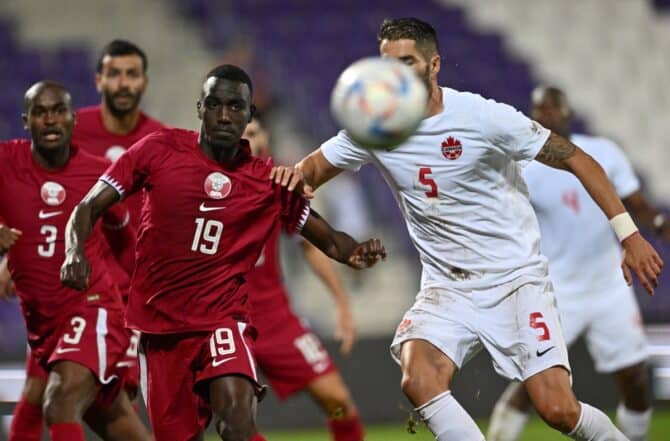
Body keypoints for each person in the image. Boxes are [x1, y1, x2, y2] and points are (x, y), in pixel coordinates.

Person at [273, 17, 663, 441]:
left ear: (434, 64)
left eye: (407, 62)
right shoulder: (375, 128)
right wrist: (305, 198)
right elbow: (306, 174)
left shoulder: (482, 117)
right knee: (417, 375)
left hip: (515, 281)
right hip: (447, 288)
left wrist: (629, 234)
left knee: (557, 410)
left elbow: (577, 158)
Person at [60, 64, 387, 441]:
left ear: (249, 114)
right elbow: (87, 207)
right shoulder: (157, 149)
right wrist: (74, 252)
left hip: (222, 322)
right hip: (160, 330)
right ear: (200, 108)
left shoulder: (267, 181)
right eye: (215, 105)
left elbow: (328, 239)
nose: (225, 115)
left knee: (236, 423)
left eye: (236, 107)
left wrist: (355, 252)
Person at [487, 86, 669, 441]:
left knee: (634, 378)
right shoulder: (522, 166)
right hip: (557, 290)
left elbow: (636, 203)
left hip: (610, 284)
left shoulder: (603, 152)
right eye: (540, 110)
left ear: (569, 111)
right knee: (533, 383)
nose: (547, 115)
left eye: (553, 108)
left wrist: (659, 224)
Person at [5, 39, 163, 440]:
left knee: (56, 400)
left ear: (73, 119)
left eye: (59, 111)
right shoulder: (7, 162)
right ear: (26, 121)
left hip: (94, 309)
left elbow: (128, 244)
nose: (51, 120)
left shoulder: (100, 175)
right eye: (40, 113)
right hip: (43, 321)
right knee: (111, 421)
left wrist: (141, 311)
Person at [244, 116, 364, 440]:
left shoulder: (276, 186)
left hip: (274, 317)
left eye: (253, 132)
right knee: (234, 420)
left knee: (339, 402)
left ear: (265, 138)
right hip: (225, 320)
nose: (247, 140)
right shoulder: (208, 184)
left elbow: (309, 245)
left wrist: (341, 302)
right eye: (241, 134)